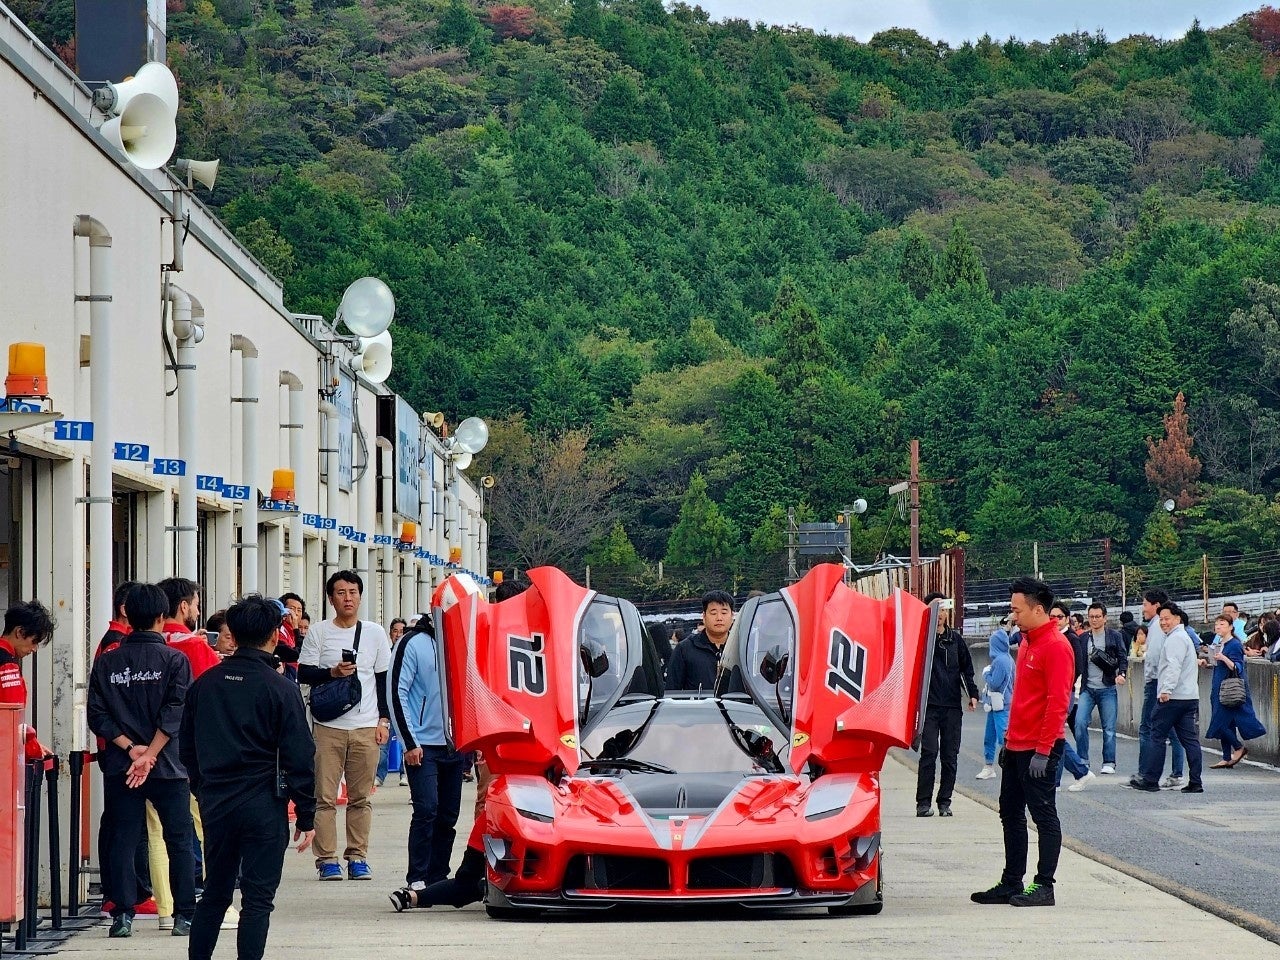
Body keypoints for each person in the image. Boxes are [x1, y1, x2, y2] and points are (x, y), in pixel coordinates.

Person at [180, 594, 317, 960]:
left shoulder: (204, 685)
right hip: (264, 803)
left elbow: (187, 747)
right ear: (274, 635)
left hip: (217, 802)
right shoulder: (281, 688)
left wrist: (203, 787)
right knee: (258, 900)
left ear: (234, 635)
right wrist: (307, 813)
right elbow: (300, 755)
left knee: (215, 893)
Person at [87, 583, 196, 939]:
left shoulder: (108, 661)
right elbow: (176, 711)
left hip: (123, 765)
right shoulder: (175, 660)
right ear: (162, 617)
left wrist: (131, 748)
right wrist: (150, 753)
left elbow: (97, 715)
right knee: (178, 838)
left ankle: (122, 914)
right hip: (168, 765)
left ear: (128, 616)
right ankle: (184, 914)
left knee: (123, 837)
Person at [971, 576, 1074, 909]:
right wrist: (1008, 741)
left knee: (1043, 815)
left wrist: (1043, 751)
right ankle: (1011, 880)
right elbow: (1022, 700)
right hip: (1017, 745)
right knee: (1010, 812)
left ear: (1038, 609)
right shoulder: (1028, 641)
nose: (1012, 616)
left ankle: (1044, 885)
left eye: (1017, 610)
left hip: (1039, 748)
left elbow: (1058, 703)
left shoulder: (1056, 646)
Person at [297, 570, 392, 881]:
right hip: (327, 727)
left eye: (352, 592)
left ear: (360, 597)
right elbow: (304, 673)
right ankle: (327, 859)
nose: (347, 598)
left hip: (366, 726)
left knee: (360, 797)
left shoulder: (375, 633)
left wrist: (383, 720)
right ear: (331, 598)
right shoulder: (319, 633)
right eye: (340, 592)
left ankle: (358, 856)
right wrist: (333, 673)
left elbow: (383, 681)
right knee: (324, 797)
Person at [155, 577, 223, 931]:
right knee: (204, 824)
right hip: (193, 751)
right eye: (196, 604)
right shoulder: (195, 646)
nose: (197, 610)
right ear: (184, 606)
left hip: (145, 751)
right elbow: (216, 699)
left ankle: (164, 908)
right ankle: (214, 903)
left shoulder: (147, 645)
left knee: (155, 833)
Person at [387, 617, 464, 903]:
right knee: (426, 809)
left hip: (455, 743)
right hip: (422, 744)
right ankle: (417, 876)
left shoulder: (463, 640)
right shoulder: (411, 642)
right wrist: (409, 741)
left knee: (448, 815)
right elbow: (397, 691)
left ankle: (437, 877)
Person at [915, 592, 979, 817]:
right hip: (929, 706)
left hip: (951, 707)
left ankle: (945, 801)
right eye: (935, 609)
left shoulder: (955, 640)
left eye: (942, 609)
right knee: (929, 753)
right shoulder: (921, 638)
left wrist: (972, 694)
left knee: (950, 756)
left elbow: (966, 670)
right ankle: (923, 803)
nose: (940, 614)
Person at [1129, 602, 1203, 793]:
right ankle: (1195, 781)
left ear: (1177, 618)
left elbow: (1173, 666)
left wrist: (1166, 690)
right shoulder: (1183, 637)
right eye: (1161, 619)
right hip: (1189, 696)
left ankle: (1151, 779)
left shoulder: (1175, 639)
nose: (1163, 623)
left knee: (1157, 735)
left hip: (1173, 697)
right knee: (1189, 740)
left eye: (1167, 619)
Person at [1202, 613, 1265, 769]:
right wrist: (1208, 663)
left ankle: (1238, 747)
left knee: (1220, 722)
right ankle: (1226, 757)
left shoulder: (1234, 645)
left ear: (1231, 627)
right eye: (1217, 624)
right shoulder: (1219, 643)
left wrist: (1223, 658)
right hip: (1219, 686)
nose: (1218, 627)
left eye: (1222, 624)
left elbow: (1237, 667)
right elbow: (1219, 665)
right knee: (1225, 723)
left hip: (1229, 688)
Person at [1136, 588, 1185, 787]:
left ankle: (1145, 773)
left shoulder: (1157, 626)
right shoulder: (1167, 628)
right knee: (1172, 730)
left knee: (1147, 728)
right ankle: (1176, 773)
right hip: (1164, 682)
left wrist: (1152, 679)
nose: (1143, 608)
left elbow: (1155, 657)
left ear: (1156, 605)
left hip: (1157, 682)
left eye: (1145, 604)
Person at [1073, 602, 1127, 776]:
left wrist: (1122, 674)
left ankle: (1109, 762)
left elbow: (1122, 657)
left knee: (1109, 728)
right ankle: (1083, 760)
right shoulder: (1083, 638)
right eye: (1091, 617)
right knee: (1080, 723)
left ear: (1105, 618)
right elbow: (1077, 662)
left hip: (1107, 688)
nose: (1094, 620)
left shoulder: (1114, 636)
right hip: (1087, 688)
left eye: (1097, 616)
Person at [1, 600, 54, 761]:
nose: (34, 649)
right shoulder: (7, 666)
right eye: (34, 641)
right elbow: (10, 718)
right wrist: (30, 744)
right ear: (19, 632)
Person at [665, 590, 734, 692]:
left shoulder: (741, 649)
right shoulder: (684, 649)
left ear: (732, 616)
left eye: (724, 613)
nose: (719, 618)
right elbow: (672, 690)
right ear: (704, 616)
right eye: (713, 613)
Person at [975, 618, 1014, 781]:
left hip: (1000, 704)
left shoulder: (1000, 661)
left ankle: (1005, 767)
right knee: (992, 736)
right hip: (999, 704)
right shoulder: (1008, 659)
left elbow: (994, 683)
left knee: (1001, 738)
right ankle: (989, 766)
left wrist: (986, 673)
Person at [376, 618, 409, 787]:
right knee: (383, 741)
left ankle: (406, 774)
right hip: (387, 704)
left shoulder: (409, 653)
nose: (398, 634)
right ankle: (379, 775)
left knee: (406, 741)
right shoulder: (386, 654)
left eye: (402, 631)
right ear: (390, 634)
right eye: (395, 631)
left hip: (404, 704)